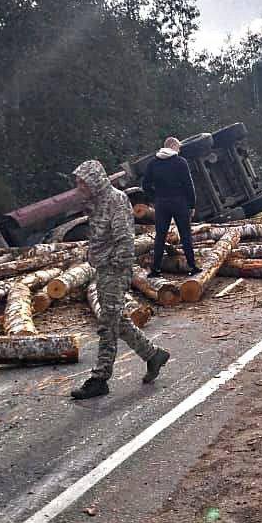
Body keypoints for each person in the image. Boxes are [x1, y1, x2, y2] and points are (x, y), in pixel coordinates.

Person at [71, 159, 170, 400]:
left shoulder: (116, 200)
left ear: (95, 181)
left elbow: (125, 238)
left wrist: (118, 266)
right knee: (117, 321)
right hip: (104, 267)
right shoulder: (95, 202)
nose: (79, 188)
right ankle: (153, 355)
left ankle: (100, 378)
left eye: (82, 183)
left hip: (115, 269)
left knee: (107, 325)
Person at [142, 136, 200, 277]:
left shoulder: (153, 163)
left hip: (161, 204)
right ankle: (192, 267)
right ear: (173, 147)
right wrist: (192, 205)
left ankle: (155, 269)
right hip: (180, 203)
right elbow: (189, 185)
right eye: (178, 148)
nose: (179, 151)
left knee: (160, 236)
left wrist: (155, 197)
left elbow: (145, 185)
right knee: (185, 235)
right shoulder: (180, 162)